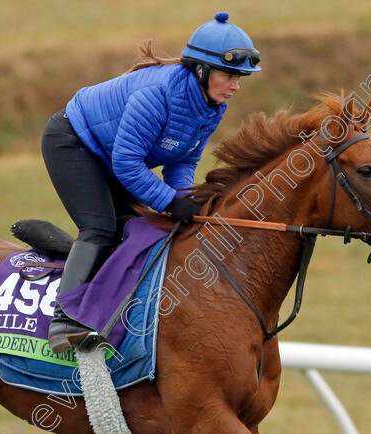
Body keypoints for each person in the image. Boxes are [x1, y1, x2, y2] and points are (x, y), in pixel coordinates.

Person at [42, 11, 261, 353]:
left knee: (140, 229)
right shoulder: (157, 93)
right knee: (100, 228)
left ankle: (111, 313)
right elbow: (127, 163)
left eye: (240, 78)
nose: (235, 85)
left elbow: (183, 161)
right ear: (200, 71)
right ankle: (63, 321)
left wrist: (185, 201)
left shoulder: (212, 105)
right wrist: (170, 202)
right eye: (229, 75)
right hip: (73, 142)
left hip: (112, 156)